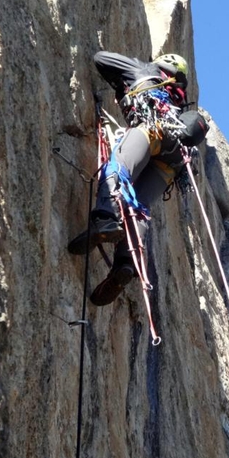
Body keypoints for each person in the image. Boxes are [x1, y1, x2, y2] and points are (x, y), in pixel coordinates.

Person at [68, 50, 209, 306]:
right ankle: (126, 265)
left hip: (153, 130)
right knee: (138, 208)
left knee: (119, 168)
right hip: (174, 161)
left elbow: (101, 59)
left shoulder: (144, 70)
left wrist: (122, 82)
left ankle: (105, 219)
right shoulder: (178, 100)